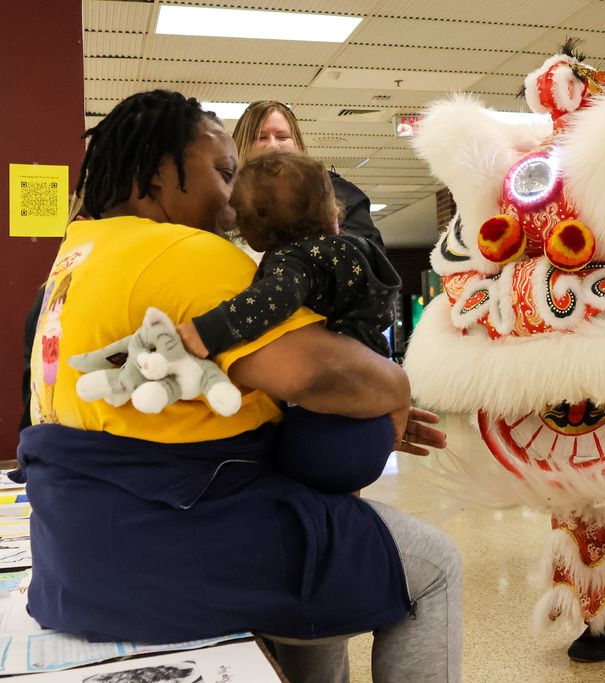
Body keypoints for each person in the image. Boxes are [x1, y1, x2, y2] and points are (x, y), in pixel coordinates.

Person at [17, 90, 462, 683]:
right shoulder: (186, 251)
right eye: (223, 173)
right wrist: (392, 397)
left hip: (77, 553)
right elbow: (332, 374)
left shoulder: (79, 251)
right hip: (174, 543)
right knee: (436, 564)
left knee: (322, 564)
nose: (233, 201)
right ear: (158, 175)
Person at [177, 148, 401, 494]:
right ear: (333, 213)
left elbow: (272, 300)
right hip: (376, 417)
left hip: (321, 427)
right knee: (346, 501)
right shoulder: (358, 251)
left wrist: (207, 331)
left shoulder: (294, 261)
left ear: (253, 236)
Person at [230, 100, 384, 251]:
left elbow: (370, 255)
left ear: (297, 142)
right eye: (261, 137)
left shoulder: (333, 189)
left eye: (282, 137)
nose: (272, 145)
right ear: (243, 143)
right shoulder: (227, 194)